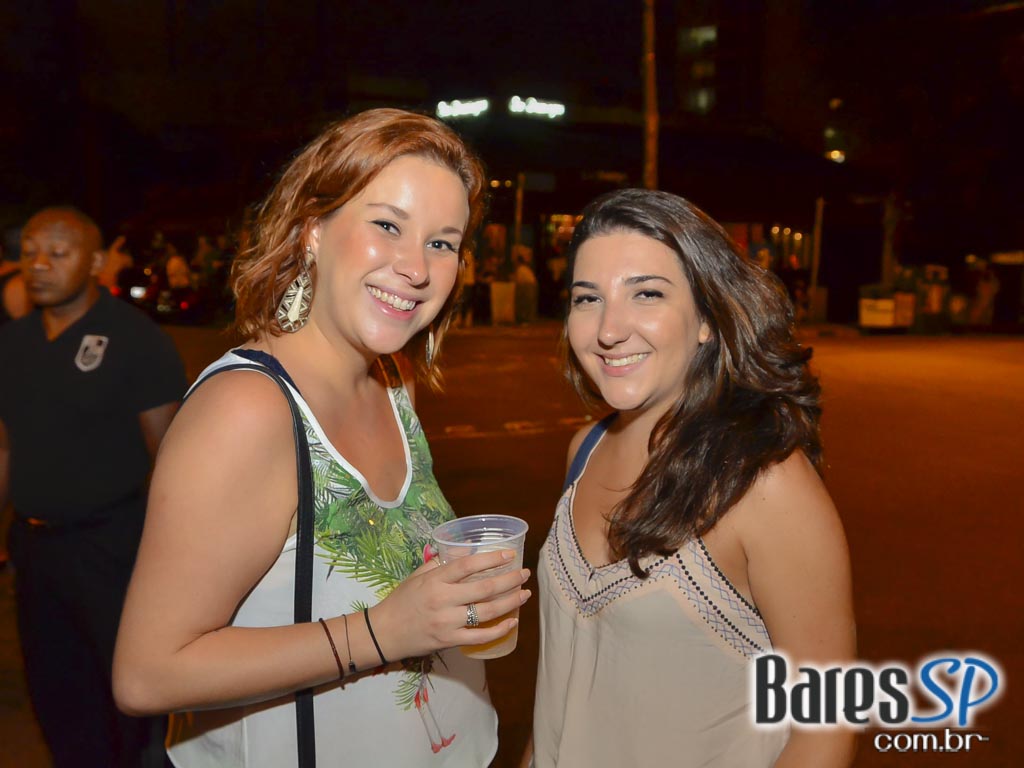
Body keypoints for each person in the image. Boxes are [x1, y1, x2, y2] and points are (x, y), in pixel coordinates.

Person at [113, 109, 531, 767]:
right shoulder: (248, 409)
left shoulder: (395, 380)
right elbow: (146, 675)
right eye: (387, 225)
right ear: (313, 229)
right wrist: (384, 631)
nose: (416, 268)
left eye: (442, 242)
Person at [526, 189, 855, 767]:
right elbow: (562, 687)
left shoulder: (764, 484)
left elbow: (824, 731)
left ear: (706, 317)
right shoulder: (584, 451)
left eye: (646, 294)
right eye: (587, 298)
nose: (609, 329)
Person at [0, 207, 187, 767]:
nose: (39, 264)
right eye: (30, 252)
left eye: (58, 253)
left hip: (111, 544)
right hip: (34, 547)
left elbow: (172, 456)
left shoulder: (135, 339)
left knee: (124, 692)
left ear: (96, 261)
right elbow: (4, 447)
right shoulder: (12, 342)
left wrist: (176, 555)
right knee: (56, 688)